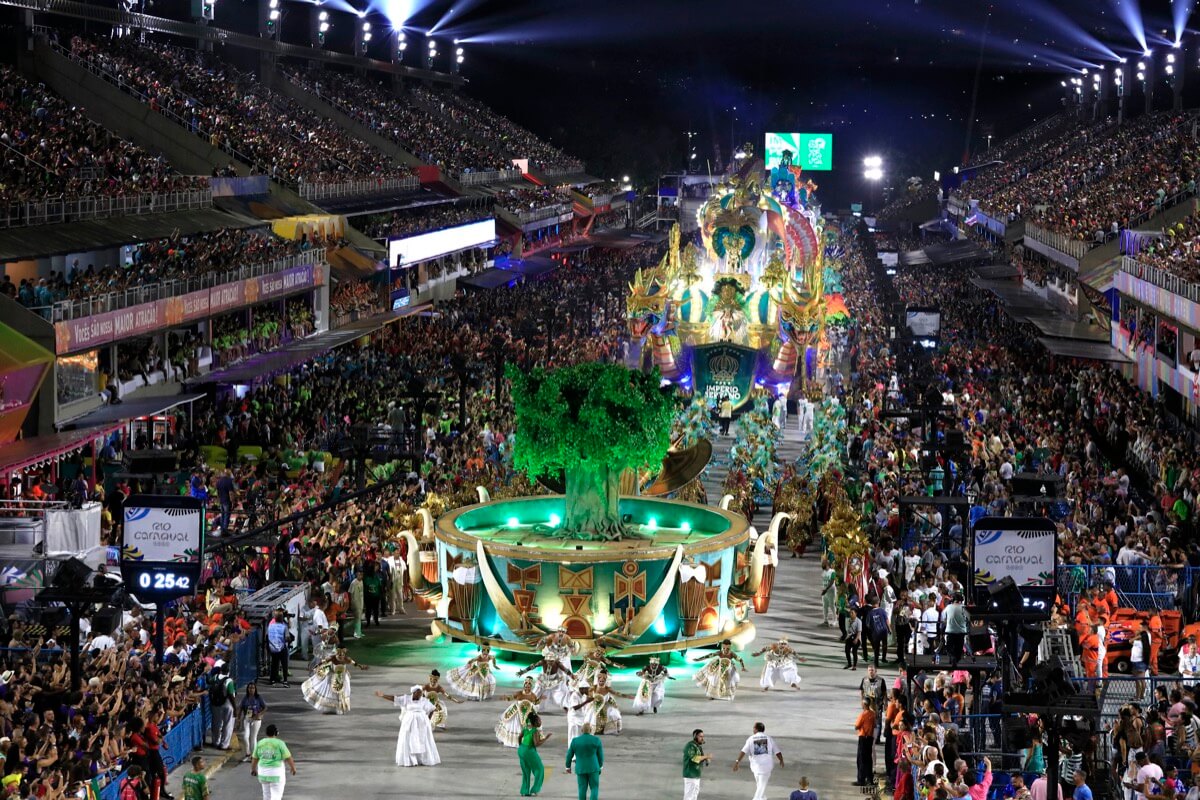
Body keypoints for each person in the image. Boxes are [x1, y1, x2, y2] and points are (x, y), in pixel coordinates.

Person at [380, 686, 441, 767]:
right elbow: (395, 699)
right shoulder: (406, 699)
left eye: (421, 693)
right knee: (408, 738)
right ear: (414, 693)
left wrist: (428, 719)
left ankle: (422, 759)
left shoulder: (424, 701)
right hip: (409, 723)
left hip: (422, 723)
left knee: (422, 739)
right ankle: (411, 760)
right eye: (418, 693)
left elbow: (432, 708)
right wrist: (383, 695)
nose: (420, 695)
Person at [301, 648, 368, 714]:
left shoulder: (347, 659)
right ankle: (330, 708)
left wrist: (361, 666)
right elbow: (322, 662)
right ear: (336, 654)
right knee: (331, 693)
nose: (341, 656)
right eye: (339, 655)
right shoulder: (332, 658)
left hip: (342, 677)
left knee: (342, 693)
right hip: (332, 676)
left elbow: (355, 663)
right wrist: (316, 667)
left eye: (343, 655)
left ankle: (340, 708)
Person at [733, 721, 784, 800]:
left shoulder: (751, 739)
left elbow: (743, 751)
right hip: (766, 767)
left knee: (760, 787)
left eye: (754, 727)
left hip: (756, 767)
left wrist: (737, 762)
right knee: (760, 786)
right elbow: (777, 751)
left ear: (756, 729)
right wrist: (781, 760)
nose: (753, 729)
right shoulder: (769, 738)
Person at [251, 724, 296, 800]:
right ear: (276, 733)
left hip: (263, 774)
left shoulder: (260, 743)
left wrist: (253, 769)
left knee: (266, 796)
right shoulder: (279, 743)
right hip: (276, 774)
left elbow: (255, 758)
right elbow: (288, 757)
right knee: (276, 797)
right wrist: (293, 768)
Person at [497, 677, 543, 747]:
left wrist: (540, 699)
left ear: (531, 686)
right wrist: (506, 698)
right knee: (516, 727)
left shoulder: (533, 695)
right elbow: (511, 698)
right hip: (516, 714)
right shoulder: (519, 693)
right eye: (526, 683)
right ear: (524, 684)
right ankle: (516, 741)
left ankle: (527, 740)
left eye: (529, 684)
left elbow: (536, 703)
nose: (527, 685)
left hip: (528, 714)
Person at [565, 722, 604, 800]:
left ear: (582, 730)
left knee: (582, 788)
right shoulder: (596, 740)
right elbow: (600, 756)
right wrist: (600, 766)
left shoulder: (575, 741)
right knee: (594, 788)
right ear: (590, 730)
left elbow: (569, 755)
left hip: (580, 768)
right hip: (593, 768)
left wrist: (568, 767)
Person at [518, 712, 551, 797]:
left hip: (521, 750)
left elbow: (519, 737)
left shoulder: (525, 728)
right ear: (535, 722)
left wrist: (521, 746)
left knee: (526, 771)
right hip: (529, 751)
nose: (540, 721)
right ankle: (534, 790)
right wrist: (546, 738)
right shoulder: (535, 731)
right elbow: (537, 743)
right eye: (539, 720)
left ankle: (524, 791)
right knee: (539, 769)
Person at [209, 662, 236, 751]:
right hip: (227, 704)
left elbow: (209, 683)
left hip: (216, 704)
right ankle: (224, 745)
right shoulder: (229, 681)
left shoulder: (215, 677)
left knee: (216, 723)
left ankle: (215, 742)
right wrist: (235, 708)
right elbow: (231, 694)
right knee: (228, 724)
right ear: (228, 671)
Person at [238, 683, 267, 762]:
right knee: (245, 736)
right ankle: (248, 753)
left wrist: (259, 714)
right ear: (247, 689)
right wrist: (238, 719)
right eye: (250, 688)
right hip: (247, 718)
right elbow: (240, 708)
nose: (251, 690)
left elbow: (265, 707)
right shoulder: (245, 698)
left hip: (256, 719)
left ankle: (254, 756)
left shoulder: (258, 697)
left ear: (255, 689)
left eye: (253, 688)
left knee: (253, 737)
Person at [683, 728, 712, 800]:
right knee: (689, 797)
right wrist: (706, 756)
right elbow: (694, 758)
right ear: (695, 736)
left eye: (703, 736)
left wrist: (706, 759)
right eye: (700, 736)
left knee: (694, 796)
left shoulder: (698, 747)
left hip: (696, 775)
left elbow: (700, 758)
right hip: (690, 775)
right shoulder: (690, 746)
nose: (702, 738)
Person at [854, 698, 876, 786]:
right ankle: (869, 778)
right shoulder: (873, 714)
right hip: (870, 737)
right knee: (868, 759)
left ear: (865, 705)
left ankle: (861, 779)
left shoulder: (863, 715)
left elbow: (856, 726)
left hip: (863, 737)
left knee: (861, 760)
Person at [267, 609, 292, 687]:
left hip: (273, 647)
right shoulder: (284, 627)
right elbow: (287, 637)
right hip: (282, 647)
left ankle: (272, 680)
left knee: (274, 664)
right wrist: (288, 640)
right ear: (282, 618)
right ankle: (285, 681)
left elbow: (267, 636)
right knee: (284, 664)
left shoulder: (270, 626)